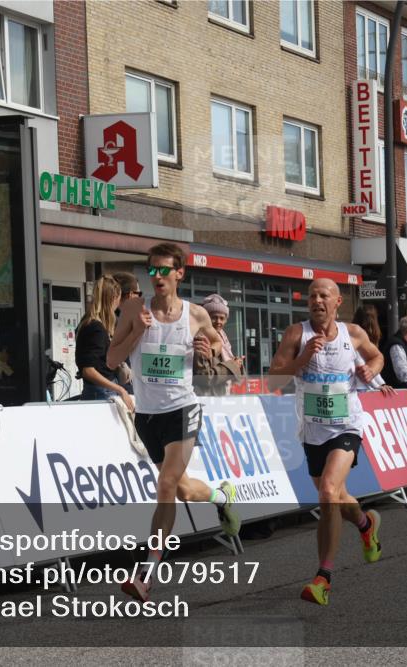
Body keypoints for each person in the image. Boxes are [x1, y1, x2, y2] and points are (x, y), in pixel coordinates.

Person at [107, 243, 239, 602]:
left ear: (180, 273)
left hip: (183, 409)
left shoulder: (195, 314)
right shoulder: (134, 308)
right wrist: (136, 332)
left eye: (165, 270)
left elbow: (221, 351)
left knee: (165, 485)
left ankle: (146, 574)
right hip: (148, 415)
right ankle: (220, 495)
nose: (158, 276)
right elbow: (112, 357)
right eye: (152, 270)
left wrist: (206, 351)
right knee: (181, 489)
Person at [268, 279, 385, 606]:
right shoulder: (296, 334)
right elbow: (273, 380)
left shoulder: (354, 334)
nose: (316, 300)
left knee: (328, 492)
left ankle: (323, 577)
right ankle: (365, 523)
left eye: (323, 296)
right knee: (338, 496)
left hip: (348, 426)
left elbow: (378, 358)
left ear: (337, 303)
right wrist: (301, 359)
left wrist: (370, 370)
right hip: (313, 431)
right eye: (311, 296)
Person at [75, 275, 133, 409]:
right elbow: (88, 371)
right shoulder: (96, 328)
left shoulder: (87, 322)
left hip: (97, 391)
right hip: (102, 393)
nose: (119, 303)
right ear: (113, 299)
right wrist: (120, 390)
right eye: (118, 298)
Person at [350, 305, 396, 396]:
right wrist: (377, 386)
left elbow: (371, 367)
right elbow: (362, 367)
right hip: (358, 387)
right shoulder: (356, 337)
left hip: (363, 386)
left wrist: (381, 384)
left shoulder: (355, 335)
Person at [110, 272, 142, 393]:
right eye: (138, 293)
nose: (140, 298)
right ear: (130, 295)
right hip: (122, 388)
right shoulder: (116, 322)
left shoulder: (113, 318)